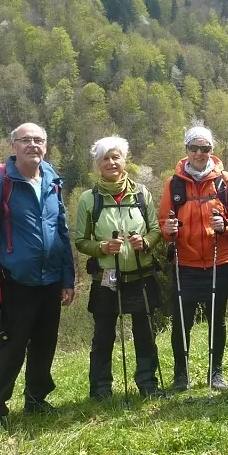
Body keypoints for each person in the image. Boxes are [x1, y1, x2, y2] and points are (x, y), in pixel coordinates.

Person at [0, 122, 76, 432]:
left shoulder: (52, 180)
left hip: (51, 279)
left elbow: (62, 232)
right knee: (13, 347)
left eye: (39, 140)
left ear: (46, 145)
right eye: (26, 140)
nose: (33, 145)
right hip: (16, 280)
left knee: (45, 343)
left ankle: (36, 399)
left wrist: (68, 277)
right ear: (13, 145)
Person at [74, 136, 165, 401]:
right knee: (103, 335)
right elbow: (80, 241)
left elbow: (156, 230)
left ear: (125, 160)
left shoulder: (142, 194)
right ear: (98, 164)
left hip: (141, 274)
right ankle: (100, 389)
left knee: (145, 333)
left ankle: (148, 383)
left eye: (116, 157)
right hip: (106, 277)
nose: (111, 162)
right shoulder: (88, 199)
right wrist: (102, 247)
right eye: (106, 158)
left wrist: (144, 242)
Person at [159, 126, 228, 391]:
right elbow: (163, 224)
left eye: (205, 148)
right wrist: (168, 229)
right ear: (186, 150)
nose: (199, 153)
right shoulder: (173, 183)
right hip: (185, 264)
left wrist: (226, 226)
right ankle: (181, 375)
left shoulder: (224, 181)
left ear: (212, 150)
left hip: (220, 262)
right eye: (194, 148)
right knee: (181, 322)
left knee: (217, 321)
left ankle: (215, 373)